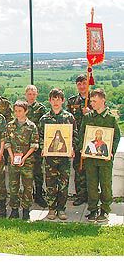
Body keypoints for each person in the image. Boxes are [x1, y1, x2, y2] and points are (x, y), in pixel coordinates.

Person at [79, 88, 121, 222]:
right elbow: (82, 135)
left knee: (105, 184)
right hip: (90, 158)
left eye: (95, 101)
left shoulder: (111, 118)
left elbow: (116, 137)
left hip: (105, 159)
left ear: (103, 100)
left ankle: (105, 209)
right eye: (91, 101)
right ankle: (92, 209)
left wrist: (111, 151)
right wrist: (83, 149)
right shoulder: (88, 117)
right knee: (91, 184)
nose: (92, 103)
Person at [39, 88, 77, 221]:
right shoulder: (44, 119)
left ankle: (61, 208)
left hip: (64, 158)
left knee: (63, 184)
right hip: (49, 158)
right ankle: (51, 208)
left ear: (63, 101)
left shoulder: (69, 117)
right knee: (50, 183)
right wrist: (43, 148)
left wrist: (72, 147)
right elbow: (40, 137)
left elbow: (75, 136)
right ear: (49, 101)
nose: (56, 102)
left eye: (58, 99)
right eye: (53, 99)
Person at [5, 101, 39, 220]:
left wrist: (24, 158)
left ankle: (26, 210)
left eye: (20, 111)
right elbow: (7, 142)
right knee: (13, 186)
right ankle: (14, 209)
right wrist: (12, 156)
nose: (17, 113)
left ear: (26, 111)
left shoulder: (31, 126)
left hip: (27, 161)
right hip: (13, 160)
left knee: (27, 187)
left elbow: (34, 144)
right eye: (16, 111)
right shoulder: (10, 125)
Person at [67, 74, 92, 206]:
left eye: (84, 83)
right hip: (78, 140)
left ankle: (92, 195)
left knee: (92, 169)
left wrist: (90, 113)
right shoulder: (72, 101)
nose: (82, 86)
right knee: (78, 168)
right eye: (79, 84)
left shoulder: (94, 99)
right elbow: (67, 120)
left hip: (92, 140)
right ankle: (81, 195)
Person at [24, 84, 48, 208]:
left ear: (36, 95)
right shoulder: (22, 107)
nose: (31, 96)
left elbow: (44, 127)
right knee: (26, 171)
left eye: (33, 94)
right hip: (24, 144)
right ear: (25, 95)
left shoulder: (41, 108)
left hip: (37, 144)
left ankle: (39, 194)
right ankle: (27, 194)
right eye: (29, 94)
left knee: (38, 171)